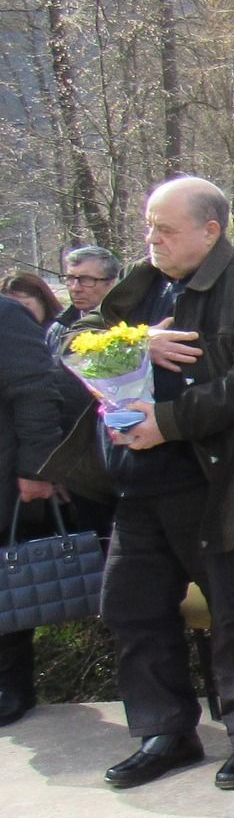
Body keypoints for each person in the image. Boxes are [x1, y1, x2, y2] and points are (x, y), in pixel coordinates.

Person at [39, 178, 234, 788]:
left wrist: (170, 421)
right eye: (148, 227)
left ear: (210, 232)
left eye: (166, 228)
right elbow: (77, 341)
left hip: (224, 485)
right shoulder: (141, 287)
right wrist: (135, 341)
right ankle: (166, 731)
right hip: (138, 487)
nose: (151, 239)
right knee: (131, 609)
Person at [0, 295, 63, 727]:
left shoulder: (5, 315)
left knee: (5, 585)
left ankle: (10, 687)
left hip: (6, 476)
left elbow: (37, 390)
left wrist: (37, 468)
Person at [55, 244, 120, 329]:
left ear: (112, 283)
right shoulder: (59, 329)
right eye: (70, 278)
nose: (75, 288)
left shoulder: (132, 327)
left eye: (86, 279)